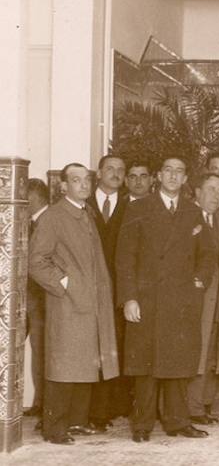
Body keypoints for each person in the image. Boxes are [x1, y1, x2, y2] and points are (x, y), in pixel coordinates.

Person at [117, 155, 217, 443]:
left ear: (186, 179)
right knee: (146, 366)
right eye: (168, 171)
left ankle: (177, 422)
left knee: (178, 363)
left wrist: (200, 279)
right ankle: (142, 425)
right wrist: (129, 298)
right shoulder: (139, 207)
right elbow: (125, 258)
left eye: (179, 172)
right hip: (148, 300)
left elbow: (207, 253)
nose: (173, 176)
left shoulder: (192, 211)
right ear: (158, 176)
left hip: (182, 299)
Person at [29, 163, 119, 445]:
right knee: (63, 364)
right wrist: (65, 284)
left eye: (86, 180)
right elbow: (36, 262)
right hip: (68, 304)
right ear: (63, 186)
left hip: (92, 304)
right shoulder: (54, 216)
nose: (83, 185)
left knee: (86, 363)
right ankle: (54, 427)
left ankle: (77, 421)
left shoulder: (86, 213)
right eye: (76, 180)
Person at [85, 155, 132, 430]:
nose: (115, 173)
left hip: (118, 293)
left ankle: (112, 408)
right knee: (91, 350)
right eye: (110, 169)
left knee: (115, 350)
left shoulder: (131, 207)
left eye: (120, 170)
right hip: (87, 292)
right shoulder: (83, 204)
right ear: (99, 173)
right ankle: (92, 412)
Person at [187, 172, 219, 426]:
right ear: (197, 193)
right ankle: (192, 407)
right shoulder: (188, 220)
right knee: (196, 352)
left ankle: (202, 404)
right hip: (196, 300)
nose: (215, 195)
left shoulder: (218, 222)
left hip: (216, 301)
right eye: (210, 189)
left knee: (211, 353)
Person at [25, 178, 50, 422]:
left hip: (42, 300)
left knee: (42, 352)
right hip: (27, 300)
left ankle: (43, 404)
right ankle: (38, 402)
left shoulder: (47, 221)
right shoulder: (31, 222)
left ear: (34, 197)